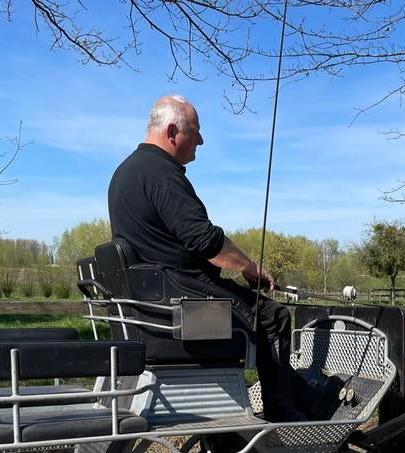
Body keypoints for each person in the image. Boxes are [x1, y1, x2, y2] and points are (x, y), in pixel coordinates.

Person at [108, 94, 321, 421]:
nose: (201, 140)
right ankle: (285, 416)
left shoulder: (126, 172)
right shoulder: (162, 173)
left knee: (260, 316)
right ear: (172, 132)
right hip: (177, 302)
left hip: (152, 303)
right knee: (273, 317)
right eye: (196, 131)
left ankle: (305, 396)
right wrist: (249, 267)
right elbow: (202, 238)